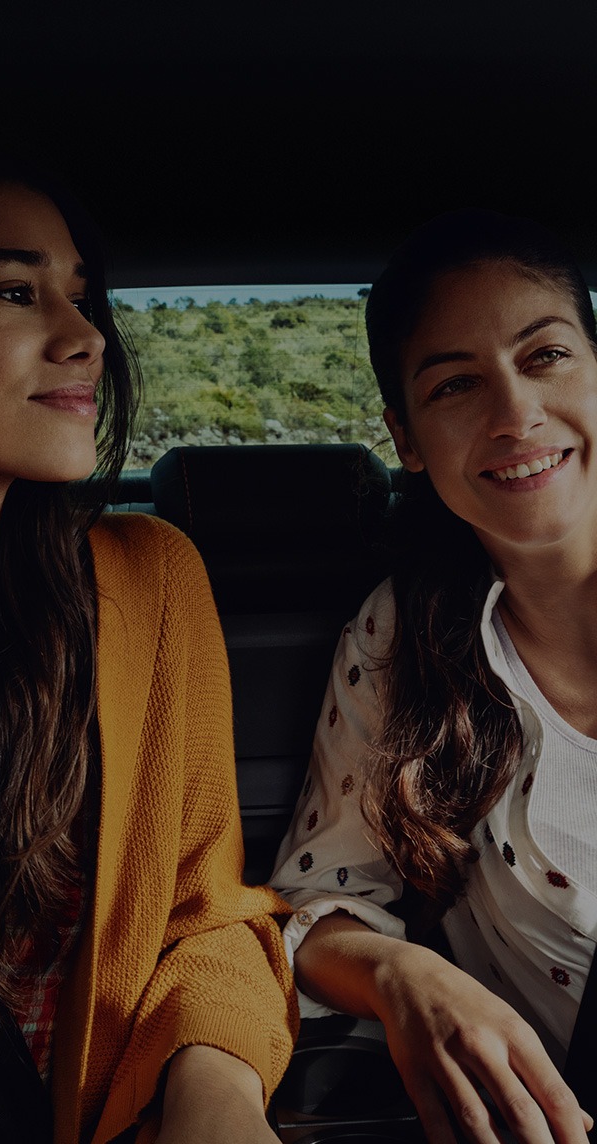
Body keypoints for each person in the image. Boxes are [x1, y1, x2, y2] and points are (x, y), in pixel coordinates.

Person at [0, 154, 298, 1144]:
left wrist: (217, 1088)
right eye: (18, 292)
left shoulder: (145, 582)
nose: (85, 337)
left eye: (83, 296)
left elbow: (207, 914)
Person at [271, 208, 597, 1144]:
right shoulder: (400, 636)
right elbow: (315, 902)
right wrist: (405, 975)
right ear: (406, 438)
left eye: (545, 358)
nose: (514, 413)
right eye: (456, 384)